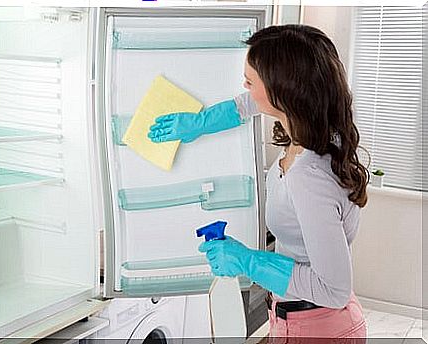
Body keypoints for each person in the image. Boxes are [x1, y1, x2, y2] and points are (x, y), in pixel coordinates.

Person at [149, 25, 369, 340]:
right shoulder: (314, 128)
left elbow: (333, 289)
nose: (244, 85)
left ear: (284, 91)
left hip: (318, 328)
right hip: (303, 319)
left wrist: (248, 261)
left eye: (251, 80)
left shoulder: (310, 177)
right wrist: (199, 123)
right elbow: (246, 105)